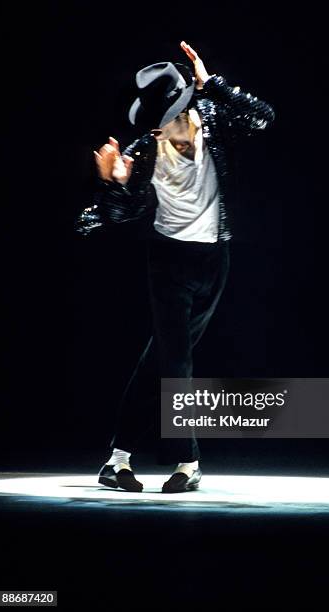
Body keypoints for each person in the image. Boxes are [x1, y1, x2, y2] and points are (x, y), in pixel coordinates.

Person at [75, 41, 275, 493]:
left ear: (190, 111)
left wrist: (213, 84)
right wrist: (115, 184)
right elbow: (108, 219)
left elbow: (264, 116)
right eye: (161, 126)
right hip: (168, 262)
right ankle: (187, 462)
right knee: (175, 362)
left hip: (214, 260)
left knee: (161, 362)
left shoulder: (217, 122)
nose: (169, 133)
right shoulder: (144, 152)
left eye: (176, 121)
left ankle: (117, 458)